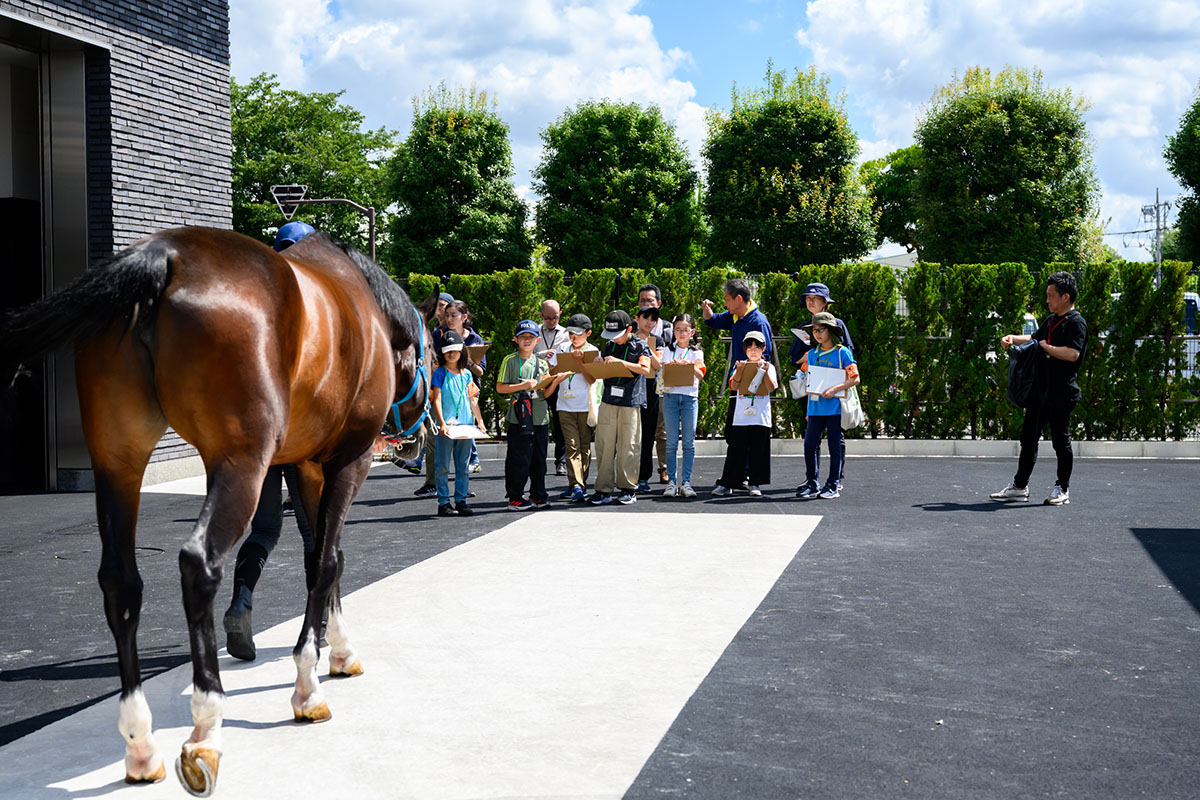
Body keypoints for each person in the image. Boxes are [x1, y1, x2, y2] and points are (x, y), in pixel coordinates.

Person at [222, 219, 319, 661]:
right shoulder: (315, 305)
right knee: (314, 532)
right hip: (302, 436)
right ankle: (317, 626)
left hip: (259, 438)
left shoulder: (253, 302)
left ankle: (241, 600)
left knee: (263, 529)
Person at [990, 271, 1088, 506]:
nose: (1047, 300)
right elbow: (1035, 338)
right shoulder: (1051, 320)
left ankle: (1062, 489)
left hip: (1062, 394)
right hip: (1040, 393)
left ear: (1065, 297)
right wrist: (1012, 338)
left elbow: (1073, 354)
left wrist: (1047, 347)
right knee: (1028, 438)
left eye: (1050, 295)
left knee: (1060, 441)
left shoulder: (1077, 323)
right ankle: (1019, 487)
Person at [702, 278, 774, 487]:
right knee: (733, 432)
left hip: (752, 389)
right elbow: (714, 321)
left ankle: (747, 476)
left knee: (745, 433)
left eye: (726, 299)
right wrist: (707, 312)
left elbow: (765, 356)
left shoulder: (758, 321)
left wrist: (752, 384)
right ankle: (742, 474)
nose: (724, 303)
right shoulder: (735, 316)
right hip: (739, 383)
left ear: (739, 299)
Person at [788, 283, 854, 490]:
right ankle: (812, 479)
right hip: (812, 388)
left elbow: (848, 353)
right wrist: (808, 356)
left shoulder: (838, 325)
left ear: (826, 302)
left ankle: (836, 478)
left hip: (835, 389)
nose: (810, 302)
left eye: (815, 298)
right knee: (811, 436)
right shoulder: (802, 327)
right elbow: (794, 359)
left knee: (836, 436)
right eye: (807, 298)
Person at [589, 310, 654, 506]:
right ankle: (603, 489)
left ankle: (628, 488)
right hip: (609, 400)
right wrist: (598, 364)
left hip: (630, 402)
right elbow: (602, 372)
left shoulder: (641, 346)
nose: (613, 339)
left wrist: (621, 362)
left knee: (629, 445)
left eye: (617, 334)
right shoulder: (608, 345)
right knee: (603, 444)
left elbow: (646, 369)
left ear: (629, 330)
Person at [795, 312, 859, 500]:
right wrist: (808, 409)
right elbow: (810, 383)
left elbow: (855, 378)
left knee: (834, 446)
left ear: (830, 330)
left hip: (835, 408)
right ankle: (812, 483)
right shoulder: (812, 354)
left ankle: (832, 485)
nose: (817, 333)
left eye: (821, 329)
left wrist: (835, 389)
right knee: (809, 445)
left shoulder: (843, 352)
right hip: (815, 408)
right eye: (814, 330)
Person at [497, 320, 560, 511]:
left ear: (537, 340)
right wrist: (523, 386)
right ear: (516, 339)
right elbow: (501, 388)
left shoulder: (541, 364)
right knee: (519, 457)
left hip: (540, 417)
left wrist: (555, 381)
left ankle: (538, 494)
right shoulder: (510, 360)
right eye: (523, 337)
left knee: (539, 458)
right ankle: (515, 496)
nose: (526, 341)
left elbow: (546, 394)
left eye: (531, 337)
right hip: (519, 417)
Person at [713, 330, 777, 497]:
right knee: (735, 450)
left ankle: (754, 483)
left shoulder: (769, 367)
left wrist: (762, 371)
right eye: (749, 346)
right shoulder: (739, 364)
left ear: (764, 348)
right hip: (742, 417)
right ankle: (727, 483)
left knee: (758, 450)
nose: (753, 350)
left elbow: (771, 388)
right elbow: (733, 387)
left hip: (761, 417)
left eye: (757, 346)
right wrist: (740, 370)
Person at [430, 330, 486, 517]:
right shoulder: (439, 373)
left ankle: (461, 500)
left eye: (455, 350)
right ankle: (444, 502)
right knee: (443, 465)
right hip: (447, 428)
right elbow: (436, 400)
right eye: (448, 351)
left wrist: (480, 421)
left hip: (465, 427)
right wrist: (442, 423)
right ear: (442, 353)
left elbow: (473, 400)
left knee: (463, 465)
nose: (452, 354)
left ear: (462, 351)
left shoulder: (467, 375)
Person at [548, 314, 600, 502]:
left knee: (584, 446)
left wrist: (579, 362)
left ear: (588, 333)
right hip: (565, 405)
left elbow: (593, 379)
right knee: (571, 445)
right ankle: (576, 485)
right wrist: (557, 366)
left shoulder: (594, 351)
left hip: (585, 406)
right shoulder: (562, 348)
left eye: (578, 334)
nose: (573, 337)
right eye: (570, 333)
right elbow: (550, 372)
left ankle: (580, 484)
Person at [660, 313, 705, 498]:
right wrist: (671, 366)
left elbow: (701, 375)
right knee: (671, 442)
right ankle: (671, 482)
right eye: (677, 330)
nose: (681, 333)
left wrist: (689, 365)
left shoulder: (697, 352)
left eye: (685, 330)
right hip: (670, 397)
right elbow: (662, 375)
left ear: (692, 332)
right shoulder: (667, 351)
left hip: (689, 399)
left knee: (688, 443)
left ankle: (686, 482)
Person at [439, 300, 487, 473]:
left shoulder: (475, 339)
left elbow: (480, 372)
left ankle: (470, 463)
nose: (449, 319)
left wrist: (466, 361)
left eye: (454, 315)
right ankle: (445, 471)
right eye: (447, 315)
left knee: (466, 422)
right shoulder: (440, 335)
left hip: (467, 385)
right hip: (445, 386)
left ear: (464, 317)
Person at [638, 284, 673, 483]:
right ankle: (641, 472)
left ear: (658, 304)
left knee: (663, 430)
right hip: (640, 385)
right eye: (642, 300)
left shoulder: (668, 329)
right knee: (641, 431)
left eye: (650, 300)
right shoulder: (634, 329)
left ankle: (664, 468)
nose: (646, 304)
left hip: (662, 385)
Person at [533, 299, 569, 476]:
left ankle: (560, 461)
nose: (552, 321)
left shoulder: (566, 333)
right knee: (538, 422)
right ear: (541, 316)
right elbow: (526, 351)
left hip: (557, 381)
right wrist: (542, 354)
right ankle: (536, 460)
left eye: (555, 318)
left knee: (560, 422)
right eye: (547, 318)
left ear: (560, 314)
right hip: (539, 382)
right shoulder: (534, 331)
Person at [634, 305, 665, 493]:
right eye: (646, 317)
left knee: (647, 436)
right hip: (631, 390)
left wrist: (646, 345)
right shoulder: (628, 336)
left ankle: (644, 476)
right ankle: (628, 475)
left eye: (653, 319)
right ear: (637, 318)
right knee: (630, 436)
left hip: (650, 391)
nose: (649, 322)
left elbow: (659, 365)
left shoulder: (658, 340)